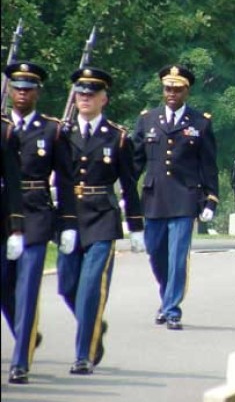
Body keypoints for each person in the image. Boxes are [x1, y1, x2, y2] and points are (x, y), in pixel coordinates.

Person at [57, 67, 145, 375]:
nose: (85, 98)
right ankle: (93, 322)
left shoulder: (117, 137)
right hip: (69, 217)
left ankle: (83, 355)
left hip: (102, 219)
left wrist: (136, 227)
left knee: (90, 287)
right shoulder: (62, 134)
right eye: (80, 93)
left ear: (103, 99)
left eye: (91, 94)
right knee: (66, 286)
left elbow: (129, 183)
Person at [1, 62, 78, 384]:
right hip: (3, 212)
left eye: (28, 89)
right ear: (9, 91)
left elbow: (65, 178)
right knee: (5, 286)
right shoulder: (3, 128)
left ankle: (20, 361)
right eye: (17, 88)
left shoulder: (52, 130)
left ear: (37, 93)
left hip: (35, 212)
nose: (22, 94)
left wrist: (68, 223)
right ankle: (25, 332)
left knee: (29, 284)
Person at [133, 64, 219, 331]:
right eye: (168, 88)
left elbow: (208, 164)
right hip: (154, 197)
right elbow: (135, 161)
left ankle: (171, 309)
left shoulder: (199, 122)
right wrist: (123, 191)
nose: (171, 93)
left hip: (185, 197)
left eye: (177, 89)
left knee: (177, 257)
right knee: (156, 253)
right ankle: (166, 296)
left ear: (186, 91)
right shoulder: (148, 119)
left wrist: (211, 199)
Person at [1, 116, 25, 380]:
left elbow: (13, 184)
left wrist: (16, 227)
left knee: (5, 285)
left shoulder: (5, 132)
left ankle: (24, 336)